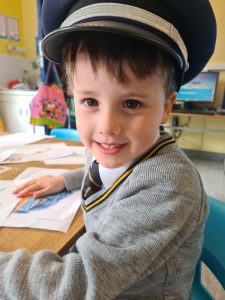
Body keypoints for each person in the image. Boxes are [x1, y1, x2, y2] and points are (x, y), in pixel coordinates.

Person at [0, 0, 216, 299]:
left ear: (165, 107)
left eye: (131, 104)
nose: (106, 127)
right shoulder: (116, 148)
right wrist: (65, 181)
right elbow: (101, 171)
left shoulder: (168, 186)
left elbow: (78, 283)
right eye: (90, 101)